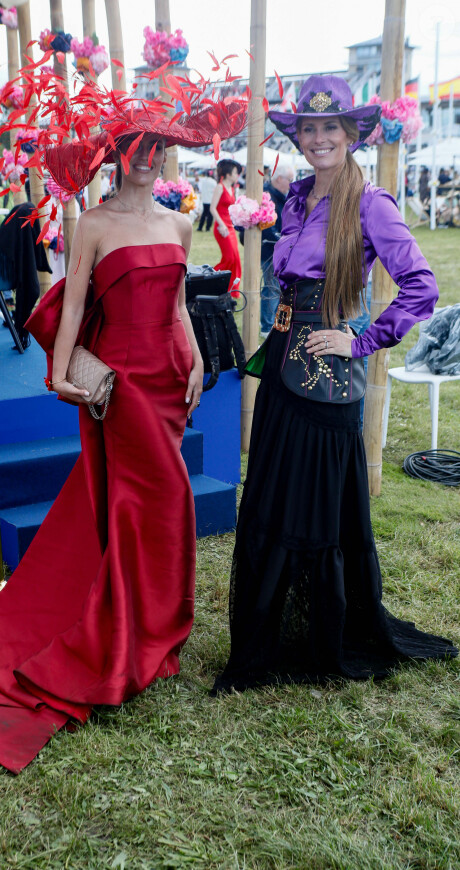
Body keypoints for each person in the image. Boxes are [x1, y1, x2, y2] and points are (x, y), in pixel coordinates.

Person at [0, 85, 248, 773]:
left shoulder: (176, 223)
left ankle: (153, 626)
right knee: (161, 497)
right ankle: (129, 632)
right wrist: (56, 370)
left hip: (169, 373)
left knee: (153, 504)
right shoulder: (94, 223)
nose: (145, 157)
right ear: (116, 155)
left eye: (156, 147)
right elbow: (73, 300)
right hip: (121, 382)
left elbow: (178, 303)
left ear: (166, 155)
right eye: (133, 146)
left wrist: (198, 355)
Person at [213, 75, 457, 694]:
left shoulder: (371, 203)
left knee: (317, 510)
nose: (319, 138)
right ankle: (267, 632)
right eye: (310, 129)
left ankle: (320, 633)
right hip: (283, 371)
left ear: (352, 134)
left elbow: (421, 288)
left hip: (329, 381)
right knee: (271, 498)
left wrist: (362, 340)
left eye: (332, 128)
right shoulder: (294, 197)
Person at [259, 164, 294, 336]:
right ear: (279, 179)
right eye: (290, 180)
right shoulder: (268, 196)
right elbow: (267, 228)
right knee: (272, 288)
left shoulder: (278, 196)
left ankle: (269, 322)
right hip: (270, 250)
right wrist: (285, 239)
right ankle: (266, 325)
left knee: (275, 288)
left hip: (277, 249)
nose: (291, 184)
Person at [210, 159, 242, 292]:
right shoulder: (220, 187)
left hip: (230, 226)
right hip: (221, 226)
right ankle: (209, 278)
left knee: (235, 259)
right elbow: (212, 208)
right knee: (228, 258)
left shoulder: (232, 188)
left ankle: (231, 289)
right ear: (228, 174)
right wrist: (222, 225)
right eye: (235, 173)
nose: (237, 175)